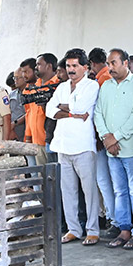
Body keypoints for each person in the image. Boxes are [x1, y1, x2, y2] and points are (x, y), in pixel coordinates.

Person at [94, 48, 133, 249]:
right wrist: (106, 137)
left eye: (114, 63)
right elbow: (98, 112)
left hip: (131, 147)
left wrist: (114, 137)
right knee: (119, 191)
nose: (110, 67)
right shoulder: (106, 86)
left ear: (125, 63)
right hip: (112, 149)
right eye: (108, 64)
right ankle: (124, 230)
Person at [48, 51, 101, 244]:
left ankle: (93, 230)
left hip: (83, 145)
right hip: (63, 144)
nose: (71, 70)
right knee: (67, 190)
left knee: (89, 191)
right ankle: (73, 229)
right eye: (68, 66)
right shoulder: (62, 87)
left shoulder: (92, 86)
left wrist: (65, 108)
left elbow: (82, 108)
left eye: (75, 66)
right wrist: (71, 112)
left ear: (85, 67)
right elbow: (49, 110)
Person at [23, 54, 60, 164]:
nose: (36, 68)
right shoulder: (35, 86)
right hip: (36, 140)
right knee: (41, 177)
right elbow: (29, 113)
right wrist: (28, 136)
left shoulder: (59, 85)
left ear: (48, 66)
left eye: (39, 64)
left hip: (52, 140)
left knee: (55, 176)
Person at [6, 72, 27, 142]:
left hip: (24, 132)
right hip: (12, 132)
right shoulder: (12, 95)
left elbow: (29, 113)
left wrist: (15, 123)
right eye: (15, 78)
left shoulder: (30, 94)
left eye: (18, 78)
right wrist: (11, 129)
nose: (16, 80)